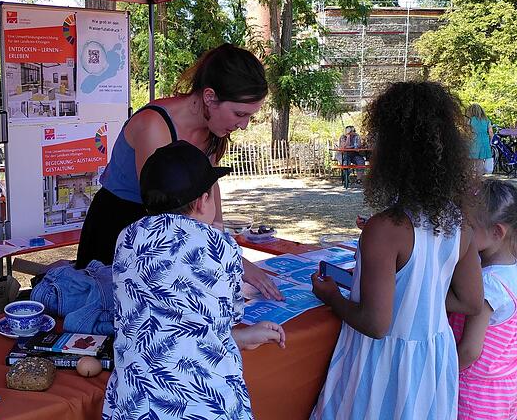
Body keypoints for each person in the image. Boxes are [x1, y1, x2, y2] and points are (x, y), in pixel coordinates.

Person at [310, 81, 483, 419]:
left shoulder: (385, 229)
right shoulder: (457, 223)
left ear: (390, 152)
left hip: (385, 366)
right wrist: (415, 297)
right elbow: (471, 300)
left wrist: (332, 296)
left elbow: (376, 324)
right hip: (431, 363)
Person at [75, 43, 283, 300]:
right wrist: (231, 260)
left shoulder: (213, 129)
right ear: (209, 97)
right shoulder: (154, 125)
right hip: (121, 227)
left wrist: (221, 240)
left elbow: (209, 182)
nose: (243, 125)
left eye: (250, 116)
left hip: (171, 232)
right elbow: (164, 214)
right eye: (239, 113)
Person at [102, 141, 286, 420]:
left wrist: (243, 338)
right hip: (208, 405)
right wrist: (244, 335)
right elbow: (222, 321)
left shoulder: (127, 238)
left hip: (134, 406)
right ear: (203, 200)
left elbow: (170, 323)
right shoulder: (221, 246)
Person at [449, 179, 517, 419]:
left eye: (468, 226)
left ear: (497, 232)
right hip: (503, 389)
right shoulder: (511, 271)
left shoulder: (489, 284)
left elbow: (470, 350)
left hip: (474, 393)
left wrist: (438, 376)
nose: (459, 231)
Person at [466, 103, 494, 174]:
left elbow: (467, 132)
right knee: (480, 162)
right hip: (484, 142)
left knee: (471, 163)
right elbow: (491, 133)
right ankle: (479, 180)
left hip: (473, 141)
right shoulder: (487, 120)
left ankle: (471, 180)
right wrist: (490, 142)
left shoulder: (470, 120)